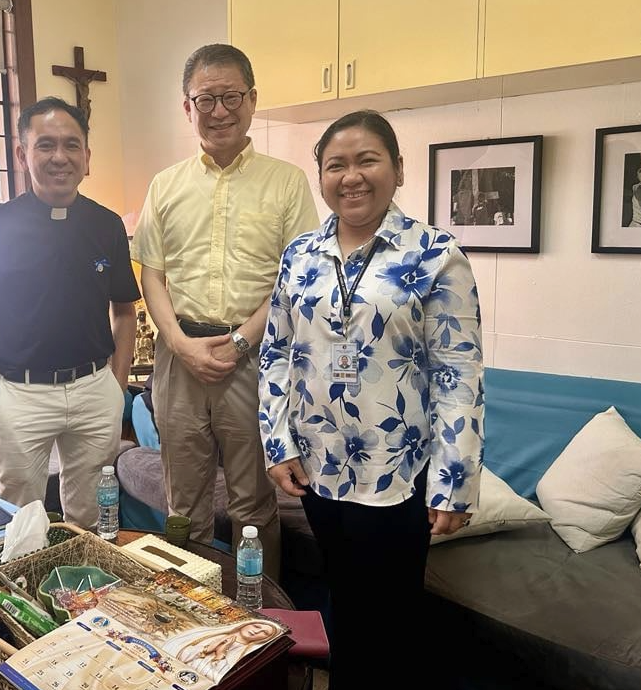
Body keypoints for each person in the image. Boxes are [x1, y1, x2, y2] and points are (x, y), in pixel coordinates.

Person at [258, 110, 484, 688]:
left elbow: (458, 371)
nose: (351, 177)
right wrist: (277, 443)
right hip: (319, 468)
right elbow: (277, 352)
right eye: (336, 165)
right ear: (321, 177)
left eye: (367, 160)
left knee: (392, 618)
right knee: (346, 604)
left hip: (398, 475)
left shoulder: (435, 254)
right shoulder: (301, 254)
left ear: (398, 169)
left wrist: (454, 482)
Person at [131, 45, 318, 579]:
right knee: (181, 505)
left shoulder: (287, 183)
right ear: (187, 107)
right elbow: (154, 275)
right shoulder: (165, 186)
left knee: (253, 506)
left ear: (252, 100)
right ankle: (189, 614)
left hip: (254, 357)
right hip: (178, 357)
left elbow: (294, 280)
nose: (219, 110)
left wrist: (238, 342)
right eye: (205, 99)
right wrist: (182, 345)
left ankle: (261, 623)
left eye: (230, 96)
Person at [0, 97, 140, 529]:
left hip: (95, 389)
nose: (60, 157)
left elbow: (125, 312)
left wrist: (117, 385)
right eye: (46, 145)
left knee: (91, 517)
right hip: (21, 394)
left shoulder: (107, 225)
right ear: (23, 154)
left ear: (87, 157)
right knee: (21, 522)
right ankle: (21, 594)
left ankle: (83, 596)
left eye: (72, 145)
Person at [163, 619, 282, 680]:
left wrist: (220, 655)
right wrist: (206, 649)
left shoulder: (248, 654)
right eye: (256, 626)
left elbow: (222, 678)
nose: (256, 631)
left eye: (264, 633)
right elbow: (171, 652)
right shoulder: (207, 633)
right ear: (246, 624)